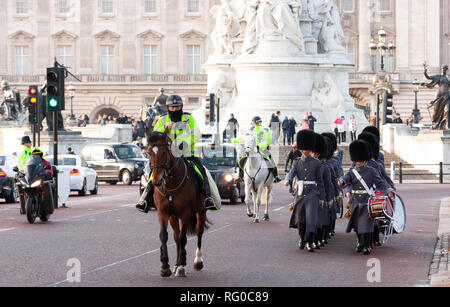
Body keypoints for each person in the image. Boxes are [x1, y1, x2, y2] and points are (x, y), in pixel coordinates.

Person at [136, 94, 219, 213]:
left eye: (177, 107)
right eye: (172, 107)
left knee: (201, 171)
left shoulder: (188, 118)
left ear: (181, 107)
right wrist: (165, 128)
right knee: (152, 173)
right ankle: (145, 199)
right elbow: (155, 135)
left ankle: (208, 198)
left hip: (187, 154)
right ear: (168, 107)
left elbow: (196, 134)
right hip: (167, 156)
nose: (175, 109)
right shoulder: (163, 119)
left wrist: (183, 144)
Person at [338, 140, 390, 255]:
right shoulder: (352, 171)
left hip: (367, 200)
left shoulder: (371, 171)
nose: (358, 162)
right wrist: (341, 181)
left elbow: (381, 183)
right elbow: (346, 180)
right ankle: (360, 243)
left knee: (366, 224)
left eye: (360, 160)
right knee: (357, 225)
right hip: (355, 200)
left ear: (365, 160)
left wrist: (387, 193)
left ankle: (366, 245)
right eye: (357, 160)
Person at [285, 129, 325, 252]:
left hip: (312, 193)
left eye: (307, 149)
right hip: (300, 193)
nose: (305, 151)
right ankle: (302, 238)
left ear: (310, 149)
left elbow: (320, 181)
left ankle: (309, 241)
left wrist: (322, 197)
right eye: (303, 148)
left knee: (311, 219)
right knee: (300, 219)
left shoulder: (316, 163)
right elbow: (291, 173)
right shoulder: (297, 162)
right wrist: (288, 180)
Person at [233, 116, 282, 183]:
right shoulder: (250, 131)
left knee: (271, 160)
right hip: (251, 150)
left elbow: (268, 141)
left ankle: (276, 176)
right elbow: (243, 139)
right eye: (256, 122)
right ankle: (240, 176)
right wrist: (232, 140)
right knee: (241, 161)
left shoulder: (265, 130)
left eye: (258, 122)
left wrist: (259, 146)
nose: (257, 124)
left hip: (262, 149)